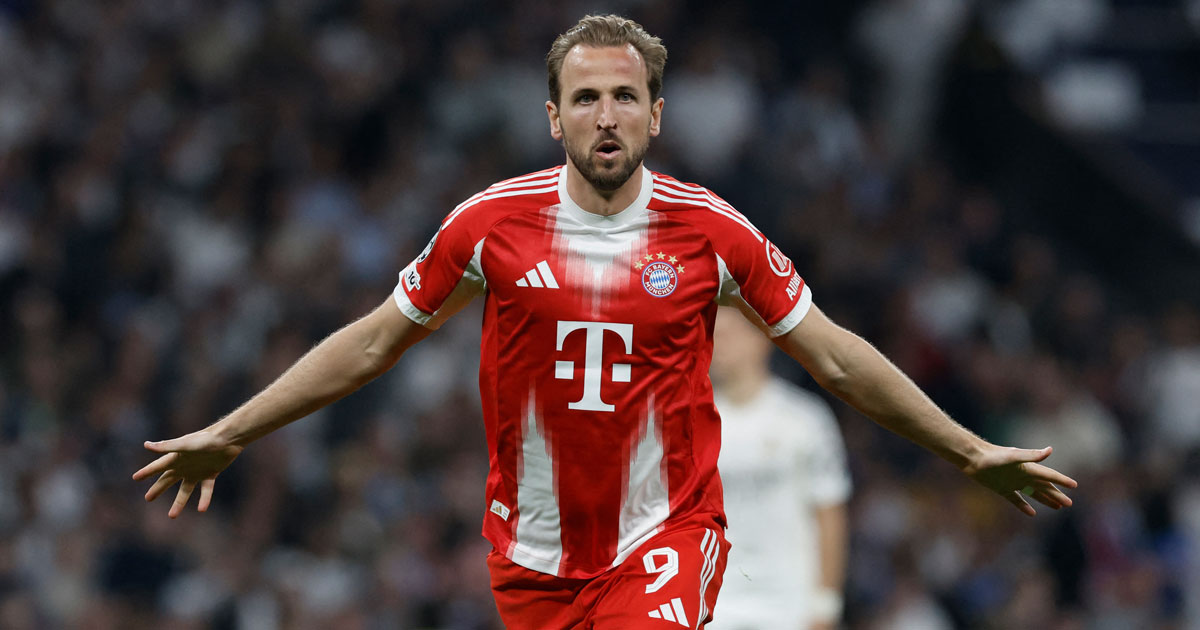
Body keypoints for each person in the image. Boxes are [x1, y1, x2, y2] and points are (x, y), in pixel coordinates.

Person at [133, 14, 1077, 629]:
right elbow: (375, 340)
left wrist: (965, 450)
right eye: (586, 98)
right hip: (533, 556)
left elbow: (833, 356)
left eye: (626, 96)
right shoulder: (489, 226)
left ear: (656, 115)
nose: (607, 115)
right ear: (555, 118)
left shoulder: (712, 233)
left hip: (665, 535)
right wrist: (232, 433)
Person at [709, 307, 850, 630]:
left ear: (760, 339)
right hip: (716, 603)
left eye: (728, 335)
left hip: (790, 604)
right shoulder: (691, 423)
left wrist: (826, 605)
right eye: (713, 336)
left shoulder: (805, 419)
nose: (718, 345)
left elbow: (829, 512)